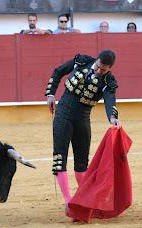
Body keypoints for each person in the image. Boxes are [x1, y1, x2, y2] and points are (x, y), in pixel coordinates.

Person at [45, 50, 120, 213]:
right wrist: (51, 94)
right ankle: (68, 201)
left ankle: (86, 199)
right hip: (63, 113)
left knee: (81, 163)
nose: (99, 71)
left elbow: (110, 99)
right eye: (99, 67)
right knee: (59, 158)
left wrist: (112, 118)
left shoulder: (109, 81)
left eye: (104, 70)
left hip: (83, 119)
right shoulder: (82, 61)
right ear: (97, 60)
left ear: (110, 68)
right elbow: (58, 72)